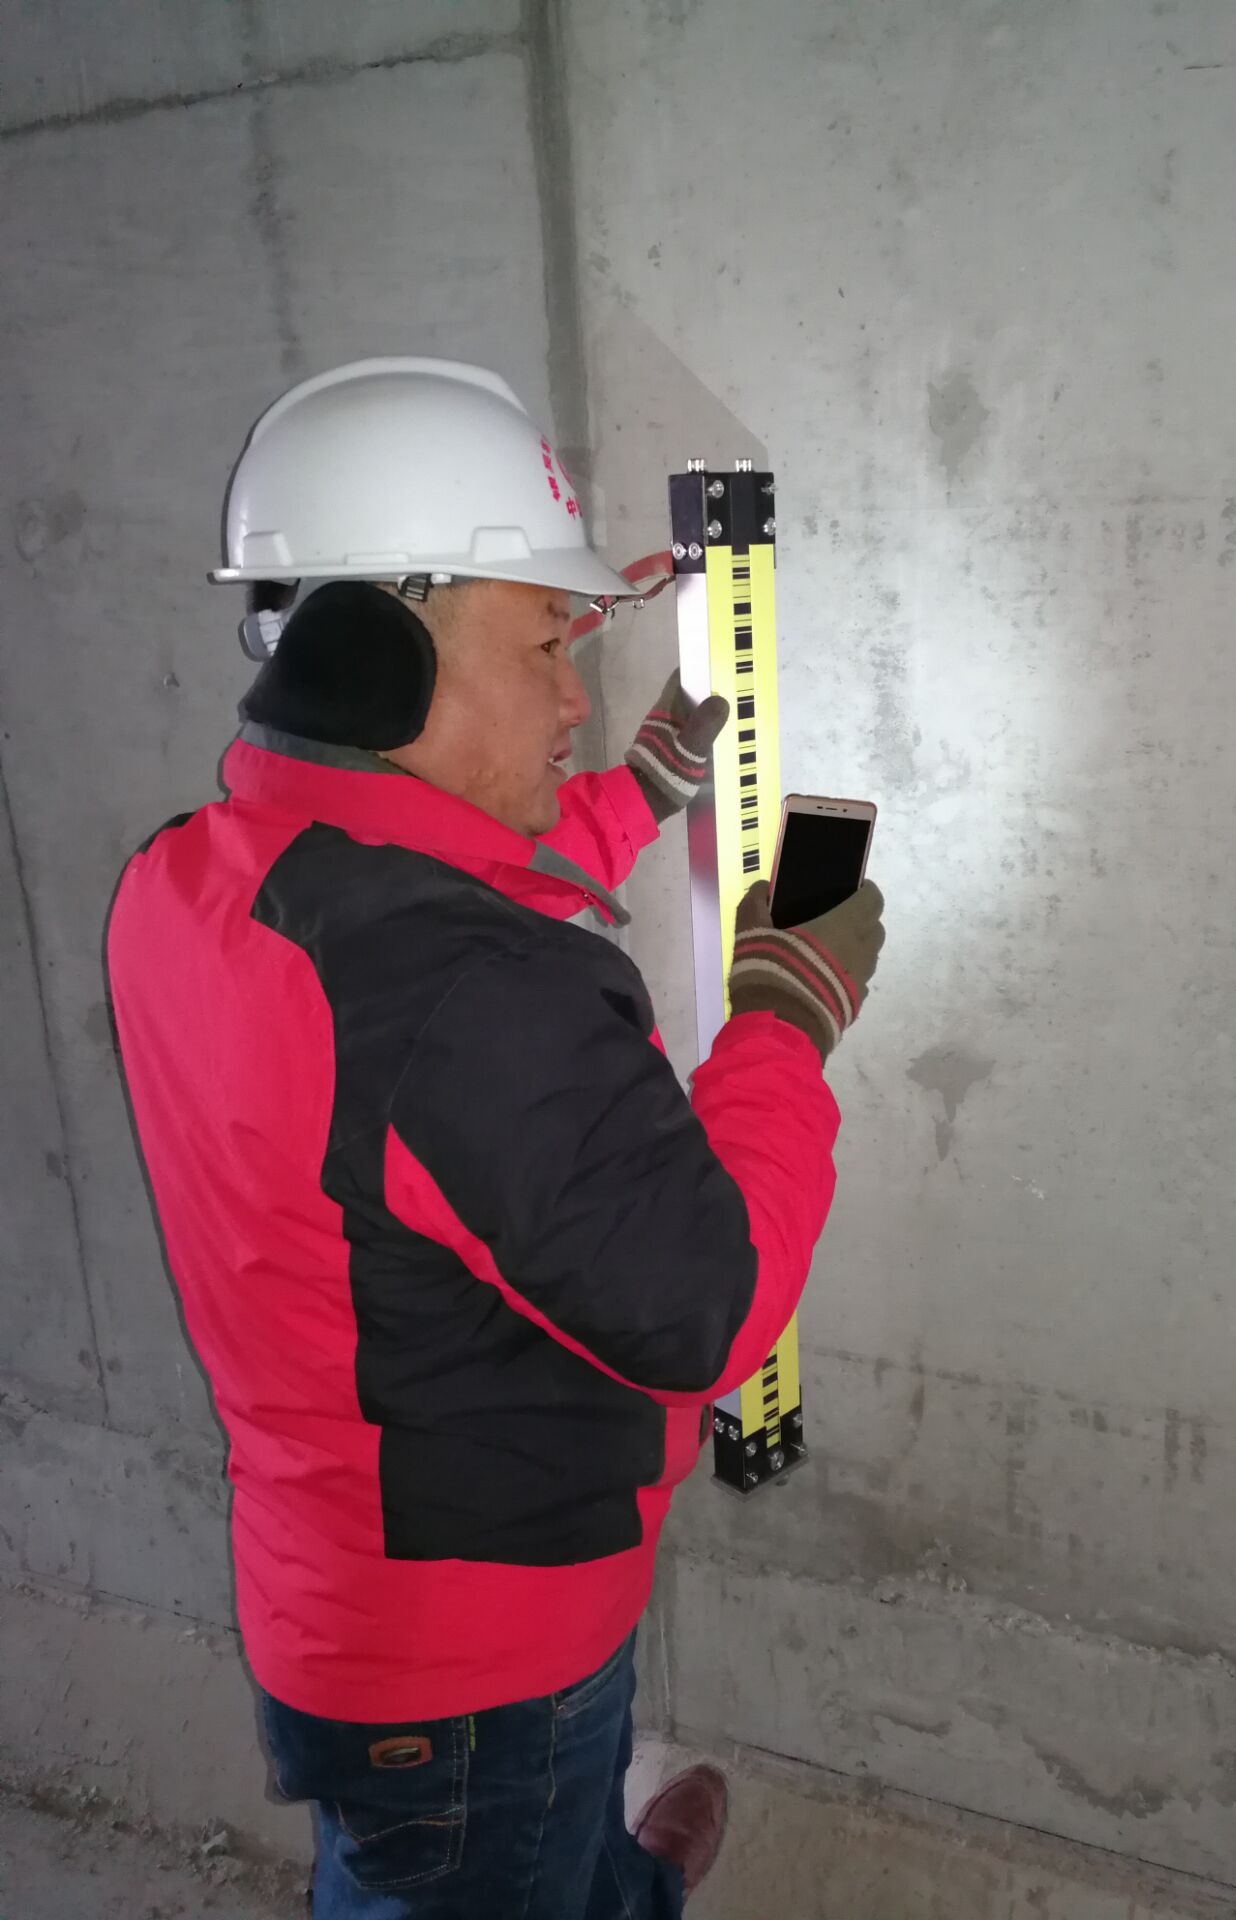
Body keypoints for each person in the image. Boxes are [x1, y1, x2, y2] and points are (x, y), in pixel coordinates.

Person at [106, 358, 885, 1918]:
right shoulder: (457, 989)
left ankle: (611, 1874)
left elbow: (417, 908)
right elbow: (707, 1302)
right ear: (378, 655)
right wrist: (783, 1019)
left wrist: (635, 795)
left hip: (349, 1595)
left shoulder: (196, 877)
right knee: (486, 1866)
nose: (575, 697)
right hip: (479, 1670)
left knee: (509, 1861)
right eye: (543, 642)